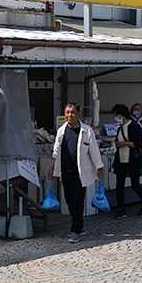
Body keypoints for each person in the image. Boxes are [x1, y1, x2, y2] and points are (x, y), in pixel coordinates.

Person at [48, 103, 105, 244]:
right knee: (69, 201)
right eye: (67, 112)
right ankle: (79, 224)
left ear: (78, 114)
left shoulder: (86, 131)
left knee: (78, 201)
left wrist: (99, 167)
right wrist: (51, 167)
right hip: (65, 172)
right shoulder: (61, 130)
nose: (69, 115)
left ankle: (75, 230)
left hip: (80, 172)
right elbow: (56, 151)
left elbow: (94, 151)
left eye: (72, 112)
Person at [109, 103, 142, 219]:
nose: (116, 118)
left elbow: (139, 143)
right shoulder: (120, 128)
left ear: (121, 115)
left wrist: (124, 144)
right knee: (119, 185)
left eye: (116, 115)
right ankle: (121, 209)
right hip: (121, 160)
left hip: (132, 160)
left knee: (135, 185)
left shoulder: (134, 126)